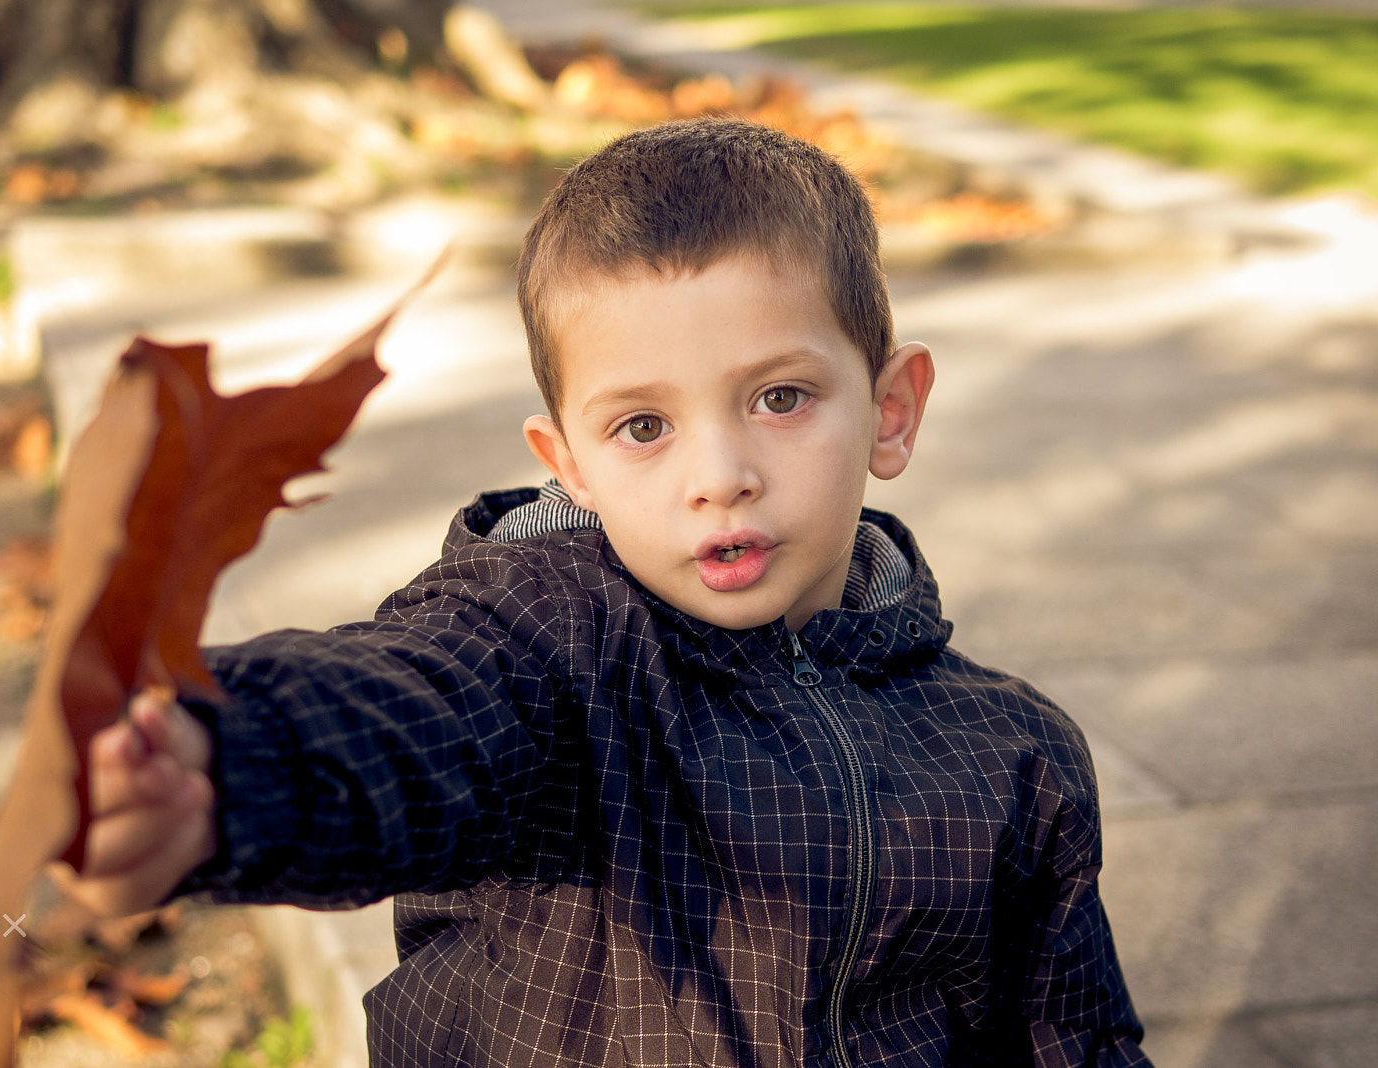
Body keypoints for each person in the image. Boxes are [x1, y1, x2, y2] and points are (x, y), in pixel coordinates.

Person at [64, 118, 1151, 1066]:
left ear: (891, 410)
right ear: (568, 461)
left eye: (779, 397)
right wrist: (221, 763)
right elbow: (411, 712)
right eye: (644, 426)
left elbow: (1075, 1040)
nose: (716, 475)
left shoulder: (1009, 754)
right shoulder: (546, 648)